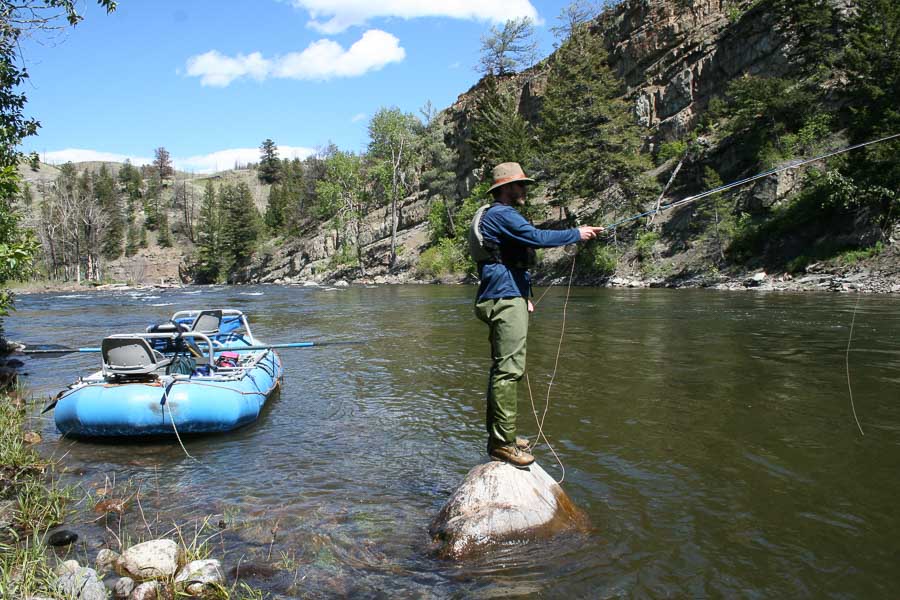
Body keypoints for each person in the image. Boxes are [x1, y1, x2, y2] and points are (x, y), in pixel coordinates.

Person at [470, 162, 603, 467]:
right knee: (508, 371)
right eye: (520, 185)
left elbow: (506, 259)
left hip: (504, 295)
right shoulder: (502, 214)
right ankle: (503, 444)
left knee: (502, 370)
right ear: (506, 188)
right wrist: (576, 234)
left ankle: (501, 436)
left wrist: (524, 296)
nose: (525, 190)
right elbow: (537, 238)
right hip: (504, 299)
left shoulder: (496, 215)